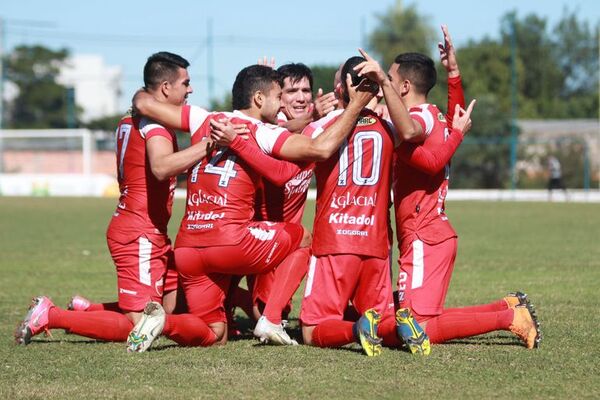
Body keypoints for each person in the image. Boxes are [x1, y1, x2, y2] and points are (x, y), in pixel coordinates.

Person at [129, 64, 375, 348]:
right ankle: (270, 320)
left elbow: (142, 100)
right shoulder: (262, 132)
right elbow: (320, 149)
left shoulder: (203, 118)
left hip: (188, 249)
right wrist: (355, 106)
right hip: (230, 242)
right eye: (278, 95)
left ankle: (164, 323)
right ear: (259, 99)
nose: (282, 102)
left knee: (214, 335)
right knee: (303, 238)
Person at [14, 52, 231, 350]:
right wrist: (210, 146)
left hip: (145, 229)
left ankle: (88, 309)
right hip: (139, 233)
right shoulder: (154, 124)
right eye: (186, 83)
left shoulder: (129, 119)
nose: (190, 90)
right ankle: (51, 315)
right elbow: (162, 167)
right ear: (166, 88)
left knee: (169, 307)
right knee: (140, 324)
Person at [385, 26, 541, 350]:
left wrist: (454, 136)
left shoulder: (418, 118)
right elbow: (453, 120)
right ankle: (508, 307)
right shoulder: (436, 116)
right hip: (431, 235)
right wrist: (453, 73)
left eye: (388, 79)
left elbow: (427, 158)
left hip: (424, 236)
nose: (384, 85)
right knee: (417, 320)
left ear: (404, 85)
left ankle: (509, 318)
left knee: (415, 328)